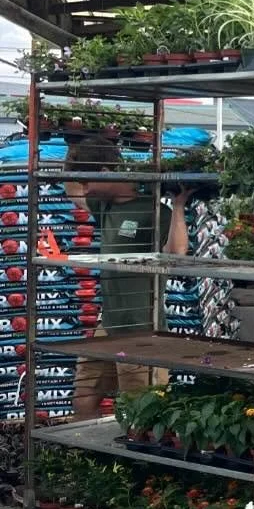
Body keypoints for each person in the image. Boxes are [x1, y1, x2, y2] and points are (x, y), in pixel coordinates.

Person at [64, 138, 190, 416]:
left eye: (89, 182)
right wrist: (74, 144)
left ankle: (137, 458)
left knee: (143, 408)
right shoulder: (104, 206)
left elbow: (177, 253)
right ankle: (88, 457)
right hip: (108, 323)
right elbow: (71, 186)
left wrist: (179, 206)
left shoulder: (154, 210)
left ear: (107, 172)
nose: (85, 189)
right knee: (83, 397)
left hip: (141, 327)